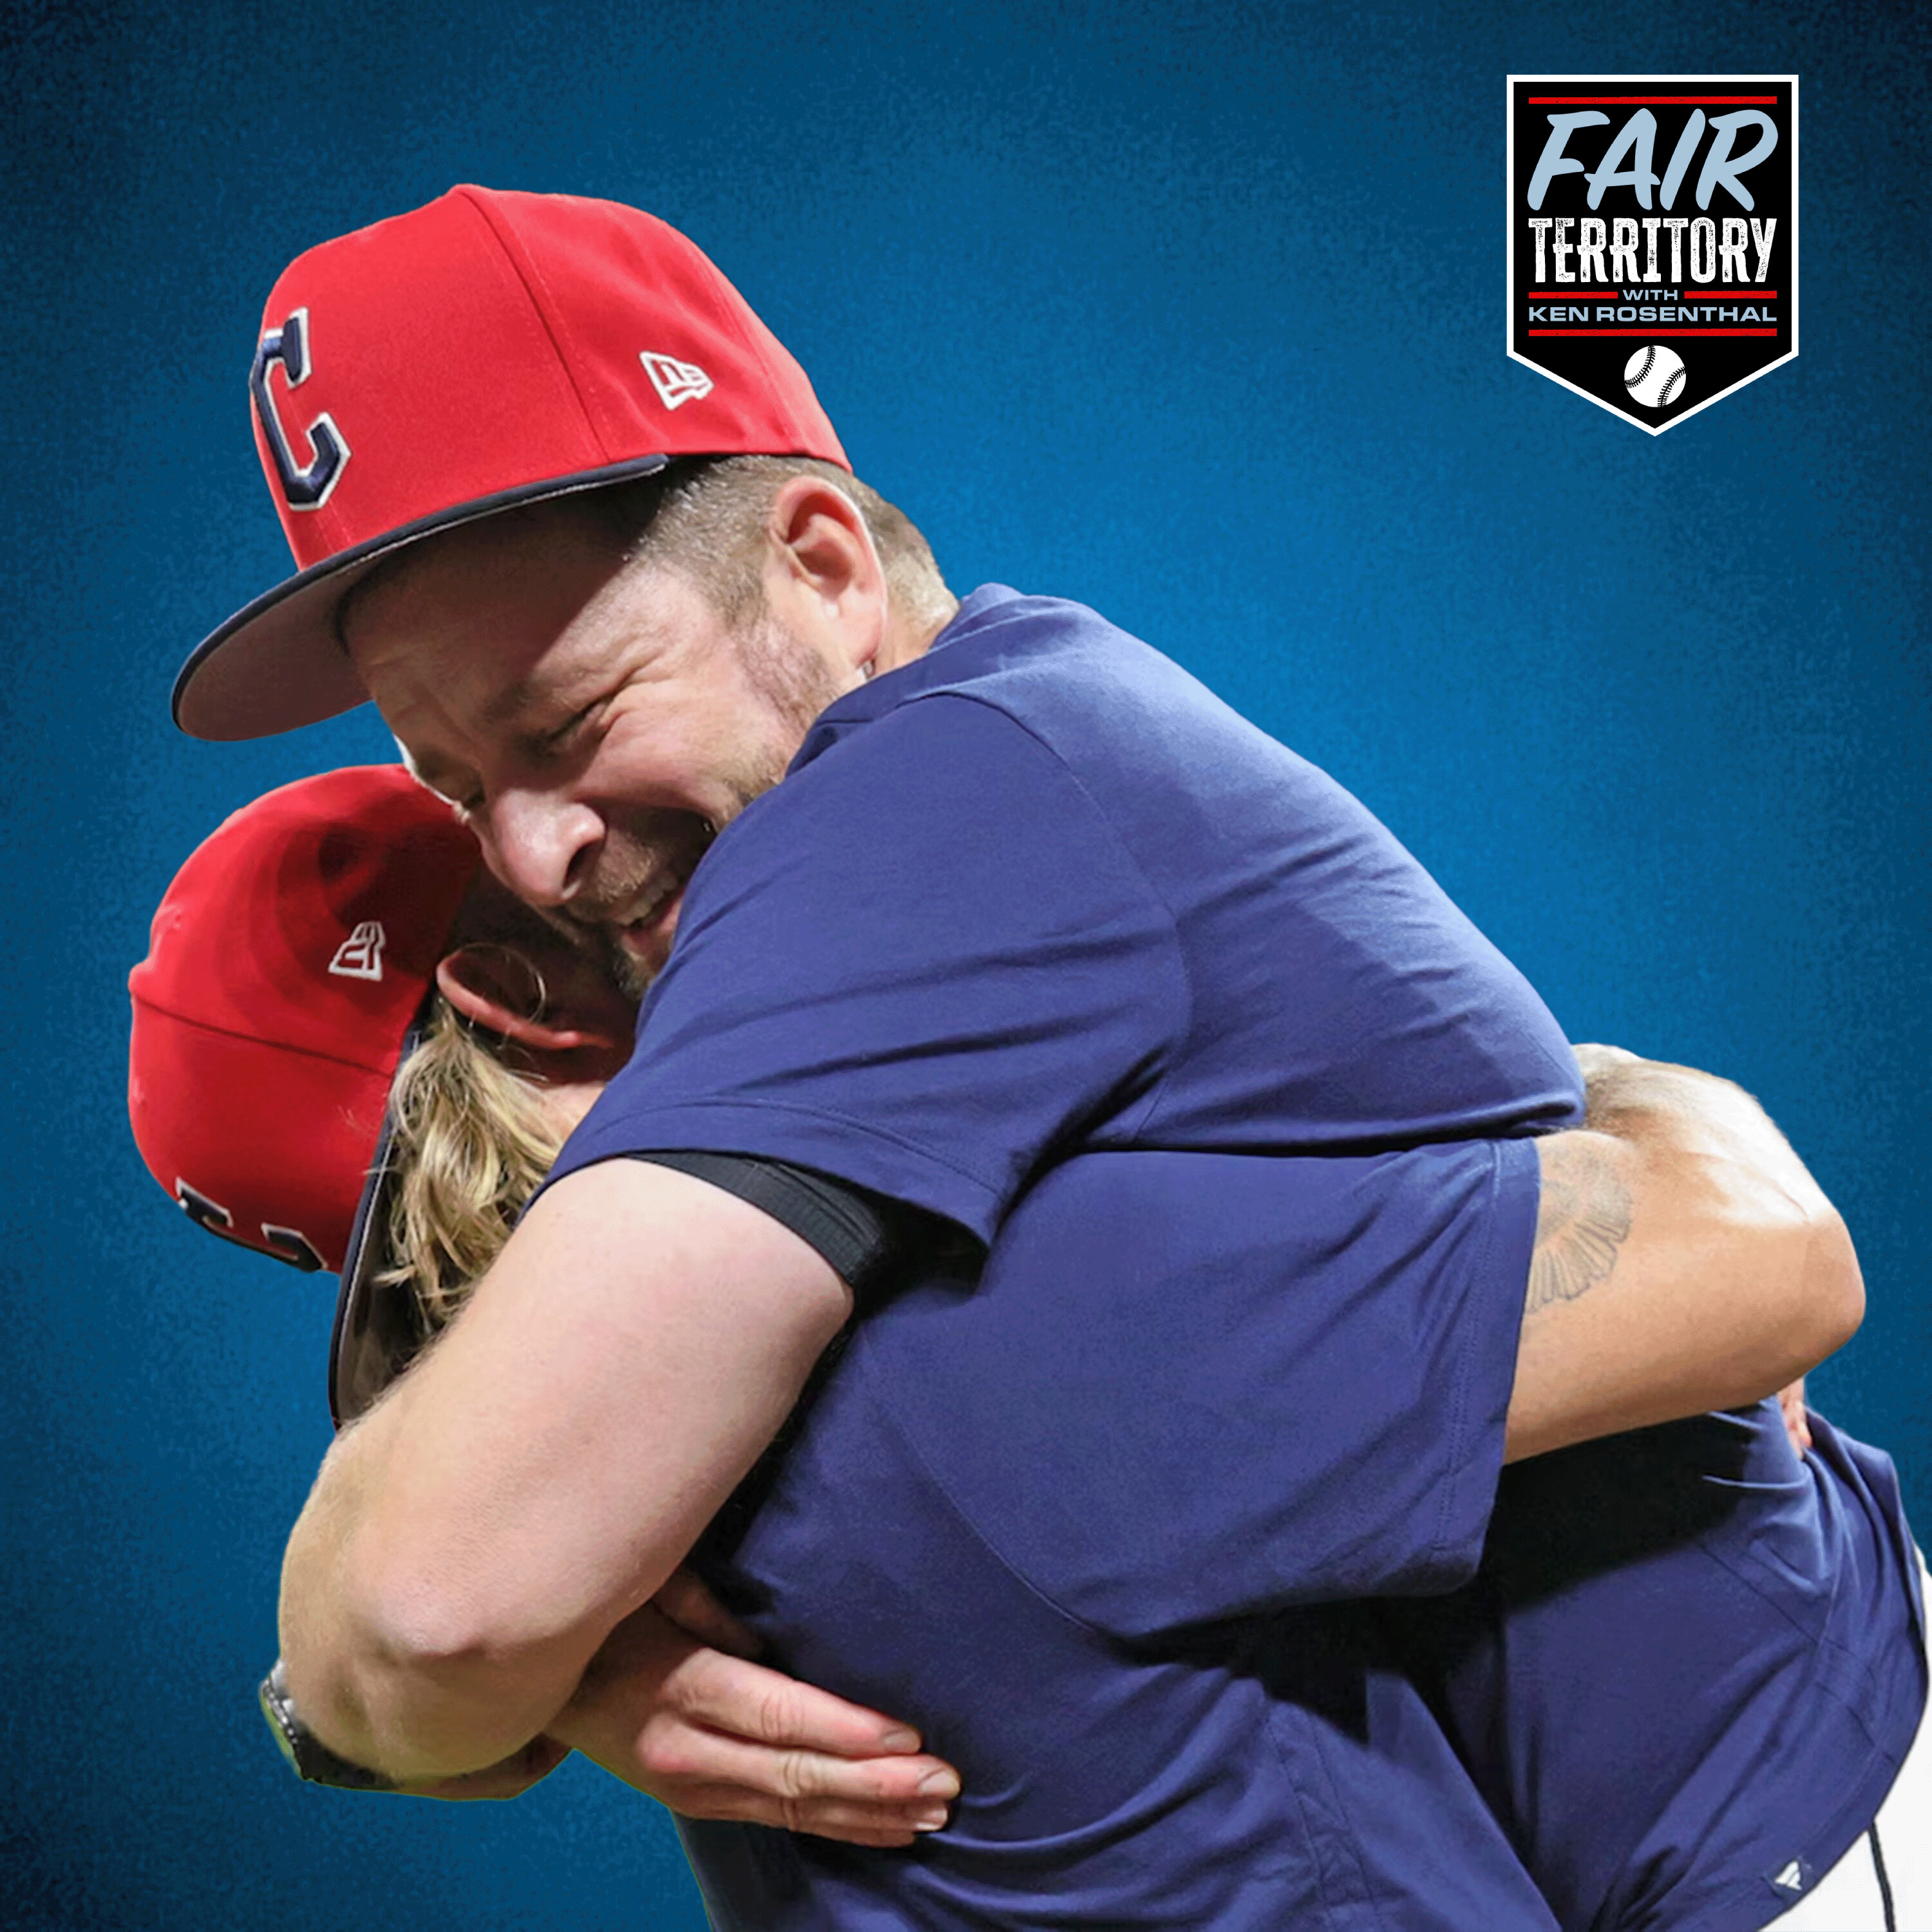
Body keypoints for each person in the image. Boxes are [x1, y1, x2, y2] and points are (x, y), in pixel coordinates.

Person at [129, 768, 1926, 1929]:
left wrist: (454, 1701)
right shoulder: (978, 1315)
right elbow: (1769, 1262)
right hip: (1816, 1818)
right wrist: (1637, 1098)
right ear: (519, 1001)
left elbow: (395, 1620)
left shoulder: (589, 1527)